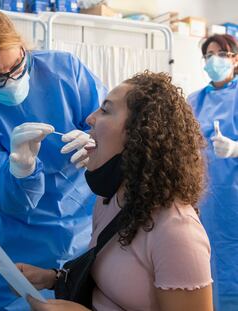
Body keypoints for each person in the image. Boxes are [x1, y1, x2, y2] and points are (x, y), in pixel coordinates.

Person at [0, 4, 108, 310]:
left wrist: (97, 141)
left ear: (22, 46)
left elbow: (111, 122)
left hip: (88, 227)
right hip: (23, 243)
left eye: (17, 66)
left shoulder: (65, 69)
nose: (12, 81)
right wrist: (20, 168)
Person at [19, 71, 213, 311]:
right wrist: (53, 278)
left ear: (139, 135)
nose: (90, 118)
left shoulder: (177, 231)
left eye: (106, 110)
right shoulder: (110, 200)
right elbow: (109, 277)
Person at [187, 34, 238, 310]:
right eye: (208, 55)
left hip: (233, 201)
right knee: (204, 262)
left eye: (221, 53)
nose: (213, 60)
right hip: (202, 199)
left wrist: (235, 149)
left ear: (235, 59)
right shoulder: (195, 100)